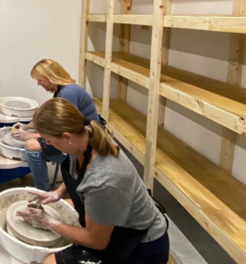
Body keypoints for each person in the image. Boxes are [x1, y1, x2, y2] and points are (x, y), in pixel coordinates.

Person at [17, 98, 169, 264]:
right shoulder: (85, 136)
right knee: (57, 209)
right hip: (114, 220)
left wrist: (48, 222)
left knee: (49, 262)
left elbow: (97, 241)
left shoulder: (104, 178)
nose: (46, 144)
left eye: (49, 140)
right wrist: (57, 193)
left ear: (66, 136)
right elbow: (80, 175)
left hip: (138, 245)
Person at [13, 59, 100, 191]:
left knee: (31, 147)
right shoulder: (64, 89)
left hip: (86, 142)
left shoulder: (67, 93)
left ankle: (42, 190)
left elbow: (64, 129)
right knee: (32, 143)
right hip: (81, 134)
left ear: (50, 77)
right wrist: (28, 126)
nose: (38, 84)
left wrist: (30, 135)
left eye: (40, 80)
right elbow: (54, 120)